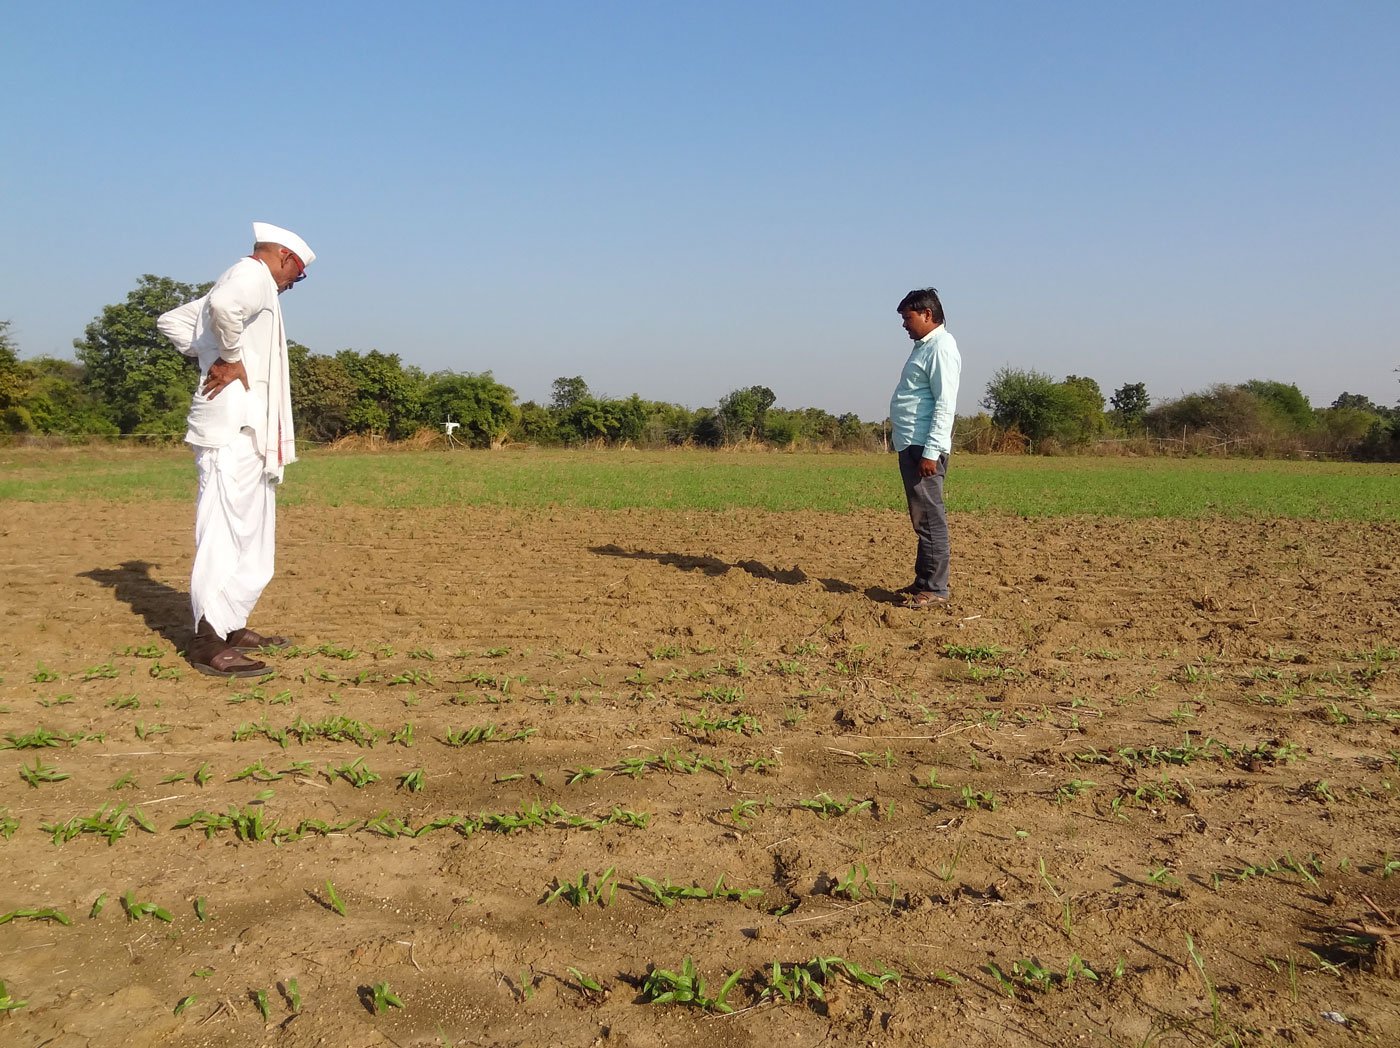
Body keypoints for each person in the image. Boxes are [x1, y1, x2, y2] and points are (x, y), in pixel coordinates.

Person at [157, 222, 315, 676]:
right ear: (284, 258)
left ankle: (231, 625)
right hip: (231, 430)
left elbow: (174, 321)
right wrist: (227, 357)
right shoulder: (251, 276)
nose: (290, 285)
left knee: (252, 533)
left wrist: (214, 350)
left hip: (249, 432)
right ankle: (207, 639)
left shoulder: (250, 281)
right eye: (296, 275)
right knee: (225, 529)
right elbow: (223, 307)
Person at [888, 287, 961, 607]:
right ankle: (924, 580)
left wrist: (931, 451)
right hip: (912, 443)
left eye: (908, 318)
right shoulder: (924, 346)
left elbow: (945, 403)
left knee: (930, 518)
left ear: (927, 314)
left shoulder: (941, 347)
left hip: (924, 447)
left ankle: (936, 589)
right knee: (922, 517)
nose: (904, 324)